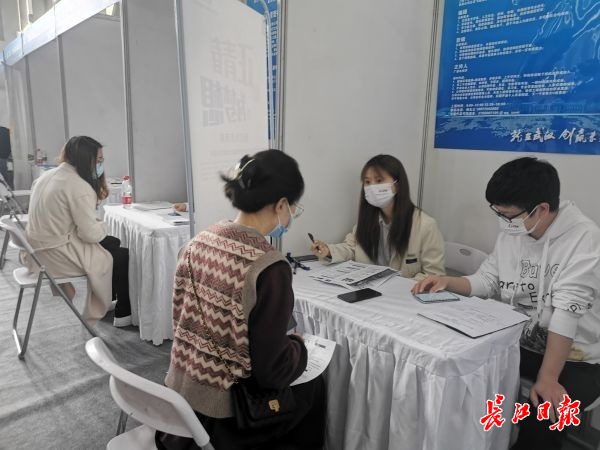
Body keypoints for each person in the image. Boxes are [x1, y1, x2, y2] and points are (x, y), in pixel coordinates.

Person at [412, 157, 600, 450]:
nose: (503, 221)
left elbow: (566, 313)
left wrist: (548, 377)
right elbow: (487, 280)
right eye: (498, 213)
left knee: (545, 416)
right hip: (517, 341)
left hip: (576, 357)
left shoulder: (585, 239)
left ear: (541, 209)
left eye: (508, 215)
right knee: (464, 373)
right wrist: (448, 282)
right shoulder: (516, 231)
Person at [156, 150, 326, 450]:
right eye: (293, 208)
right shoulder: (268, 267)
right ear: (281, 205)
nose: (291, 216)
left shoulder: (197, 242)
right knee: (314, 387)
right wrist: (299, 347)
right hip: (226, 417)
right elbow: (271, 372)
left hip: (179, 402)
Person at [24, 136, 132, 326]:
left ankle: (110, 299)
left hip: (35, 251)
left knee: (112, 243)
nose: (101, 165)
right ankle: (123, 311)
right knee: (122, 255)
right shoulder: (78, 186)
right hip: (55, 255)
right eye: (98, 160)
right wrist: (103, 224)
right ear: (85, 159)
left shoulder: (46, 176)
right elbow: (90, 234)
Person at [310, 154, 445, 280]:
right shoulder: (367, 220)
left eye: (379, 180)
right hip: (369, 291)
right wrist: (328, 251)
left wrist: (401, 286)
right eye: (367, 182)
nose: (372, 187)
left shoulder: (425, 225)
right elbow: (352, 248)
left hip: (404, 295)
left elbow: (434, 276)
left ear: (397, 185)